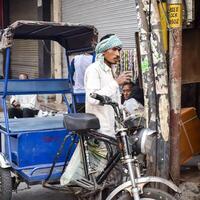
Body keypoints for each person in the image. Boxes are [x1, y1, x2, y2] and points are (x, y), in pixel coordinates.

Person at [84, 34, 132, 137]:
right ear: (103, 50)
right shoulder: (94, 69)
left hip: (113, 129)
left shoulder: (111, 70)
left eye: (119, 50)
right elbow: (92, 98)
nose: (118, 54)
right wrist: (116, 83)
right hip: (101, 130)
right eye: (114, 49)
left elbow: (111, 99)